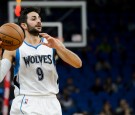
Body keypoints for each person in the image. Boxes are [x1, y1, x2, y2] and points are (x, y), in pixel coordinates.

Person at [0, 7, 82, 115]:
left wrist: (59, 48)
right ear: (24, 25)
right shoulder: (14, 49)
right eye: (33, 19)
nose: (38, 21)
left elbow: (78, 64)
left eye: (39, 18)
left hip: (51, 102)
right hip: (26, 101)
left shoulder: (52, 43)